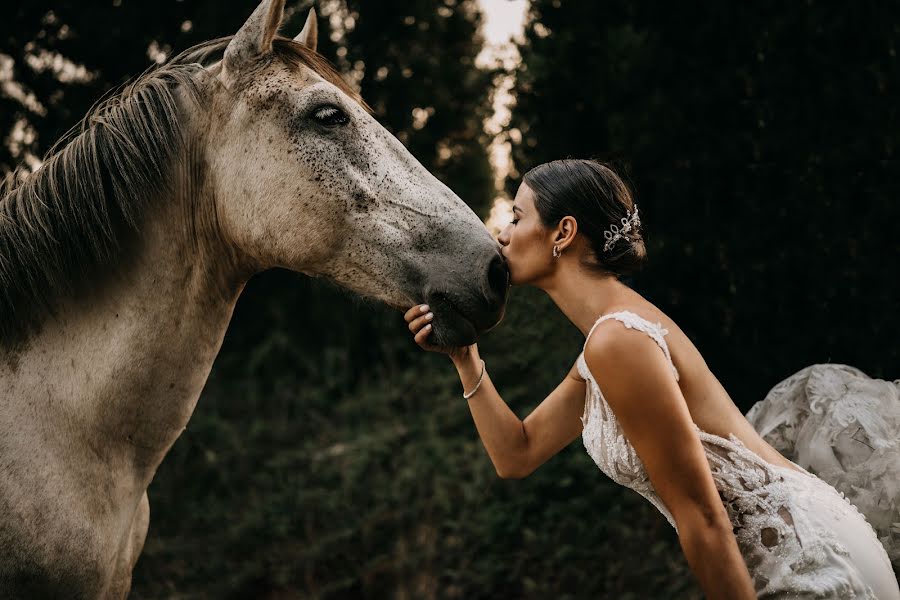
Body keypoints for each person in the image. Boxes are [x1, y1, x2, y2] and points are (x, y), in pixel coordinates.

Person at [403, 159, 900, 599]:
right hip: (794, 541)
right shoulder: (606, 343)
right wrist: (465, 358)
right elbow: (518, 453)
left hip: (802, 556)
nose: (502, 233)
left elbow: (703, 519)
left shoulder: (618, 341)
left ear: (563, 232)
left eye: (517, 216)